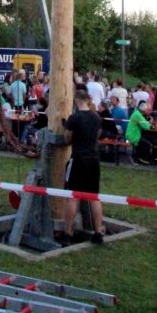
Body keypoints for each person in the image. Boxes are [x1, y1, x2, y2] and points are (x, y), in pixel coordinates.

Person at [61, 89, 105, 245]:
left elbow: (67, 139)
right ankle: (98, 232)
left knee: (73, 196)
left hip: (78, 158)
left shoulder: (74, 118)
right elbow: (97, 135)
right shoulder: (96, 117)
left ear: (76, 100)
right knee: (94, 197)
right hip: (94, 159)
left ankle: (67, 233)